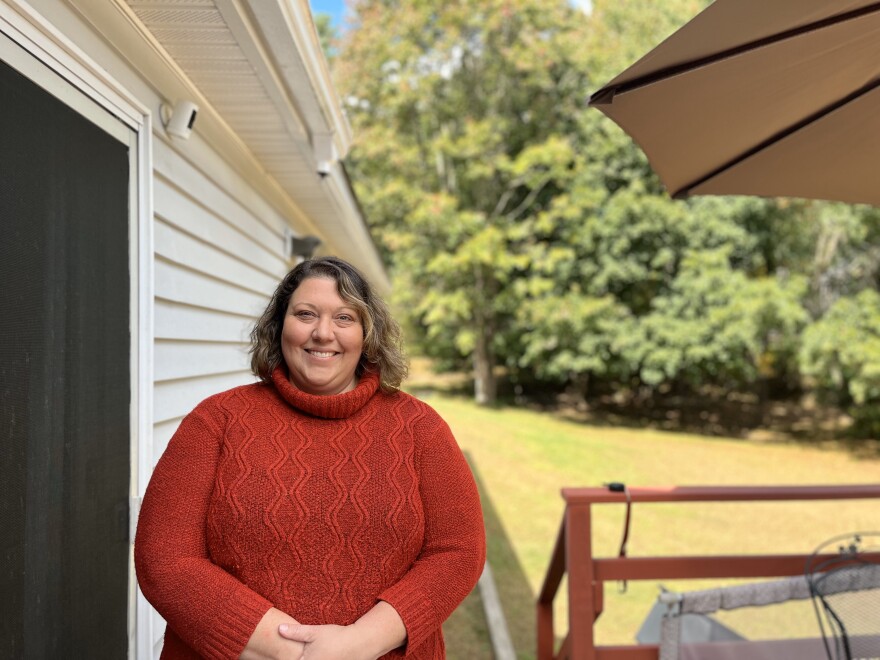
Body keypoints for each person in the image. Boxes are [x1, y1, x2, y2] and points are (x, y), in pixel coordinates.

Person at [135, 256, 486, 659]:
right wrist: (292, 653)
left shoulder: (420, 428)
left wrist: (358, 643)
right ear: (279, 325)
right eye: (305, 314)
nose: (323, 333)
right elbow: (164, 558)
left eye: (344, 318)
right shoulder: (216, 421)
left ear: (368, 333)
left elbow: (459, 551)